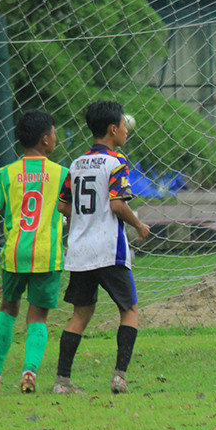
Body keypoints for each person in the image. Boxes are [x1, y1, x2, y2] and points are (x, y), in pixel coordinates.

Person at [52, 101, 151, 394]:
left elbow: (62, 204)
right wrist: (138, 225)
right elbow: (118, 204)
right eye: (123, 126)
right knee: (130, 310)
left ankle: (62, 381)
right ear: (112, 129)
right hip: (109, 249)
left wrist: (82, 219)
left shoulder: (77, 163)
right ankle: (119, 377)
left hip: (80, 251)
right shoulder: (116, 161)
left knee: (80, 314)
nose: (125, 131)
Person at [0, 110, 69, 394]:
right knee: (37, 316)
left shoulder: (6, 174)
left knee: (7, 308)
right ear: (45, 139)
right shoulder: (62, 174)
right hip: (47, 255)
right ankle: (29, 373)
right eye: (53, 132)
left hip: (15, 253)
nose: (55, 137)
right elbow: (70, 212)